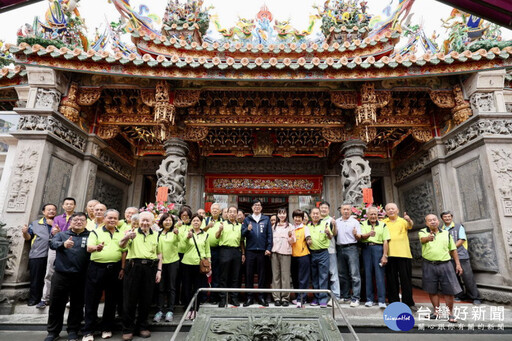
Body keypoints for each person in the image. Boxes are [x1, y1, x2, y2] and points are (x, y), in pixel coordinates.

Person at [44, 212, 90, 341]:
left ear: (86, 222)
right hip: (61, 274)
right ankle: (53, 332)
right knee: (56, 304)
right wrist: (62, 244)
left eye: (82, 220)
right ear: (70, 222)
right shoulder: (62, 235)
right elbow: (52, 244)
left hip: (81, 275)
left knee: (77, 304)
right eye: (75, 220)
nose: (79, 222)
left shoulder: (91, 236)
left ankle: (73, 331)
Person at [82, 209, 126, 341]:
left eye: (115, 218)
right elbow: (89, 248)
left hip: (115, 269)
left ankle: (107, 328)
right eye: (110, 218)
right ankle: (88, 330)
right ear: (105, 218)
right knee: (92, 300)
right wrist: (97, 248)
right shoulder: (96, 232)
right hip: (97, 268)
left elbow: (124, 251)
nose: (112, 220)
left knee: (111, 300)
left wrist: (123, 268)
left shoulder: (121, 233)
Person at [119, 211, 162, 341]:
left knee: (146, 299)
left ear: (152, 222)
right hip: (134, 267)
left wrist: (159, 270)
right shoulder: (131, 233)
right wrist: (127, 237)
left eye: (147, 221)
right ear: (139, 221)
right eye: (142, 220)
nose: (144, 223)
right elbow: (121, 245)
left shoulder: (156, 235)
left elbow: (159, 254)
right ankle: (128, 329)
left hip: (150, 268)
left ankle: (142, 327)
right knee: (130, 299)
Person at [420, 214, 463, 323]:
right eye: (429, 220)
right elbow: (423, 239)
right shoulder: (423, 232)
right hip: (429, 264)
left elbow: (453, 249)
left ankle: (450, 314)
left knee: (449, 290)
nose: (432, 222)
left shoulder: (446, 233)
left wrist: (458, 264)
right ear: (426, 223)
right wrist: (428, 238)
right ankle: (436, 312)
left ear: (438, 221)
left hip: (445, 264)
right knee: (432, 289)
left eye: (434, 220)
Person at [37, 198, 77, 309]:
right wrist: (57, 232)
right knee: (49, 272)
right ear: (63, 206)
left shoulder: (77, 218)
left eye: (71, 204)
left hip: (71, 247)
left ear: (75, 206)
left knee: (71, 274)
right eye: (67, 204)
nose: (69, 206)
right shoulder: (58, 218)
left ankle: (69, 299)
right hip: (56, 246)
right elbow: (53, 232)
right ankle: (45, 298)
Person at [440, 210, 482, 305]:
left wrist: (452, 248)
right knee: (454, 278)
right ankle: (460, 295)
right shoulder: (441, 229)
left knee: (468, 277)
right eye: (445, 217)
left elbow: (462, 239)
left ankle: (475, 297)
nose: (447, 218)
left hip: (461, 256)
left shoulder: (459, 227)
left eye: (449, 216)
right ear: (442, 219)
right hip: (448, 257)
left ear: (452, 217)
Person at [22, 203, 57, 307]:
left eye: (53, 210)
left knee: (51, 278)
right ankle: (34, 299)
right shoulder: (35, 223)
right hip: (38, 254)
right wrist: (24, 232)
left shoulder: (58, 222)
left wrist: (53, 225)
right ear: (43, 212)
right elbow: (28, 238)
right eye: (49, 210)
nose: (51, 211)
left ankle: (49, 299)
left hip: (54, 255)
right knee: (36, 278)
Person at [383, 203, 416, 311]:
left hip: (404, 254)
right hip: (390, 254)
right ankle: (393, 301)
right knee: (391, 279)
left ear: (397, 210)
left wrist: (409, 219)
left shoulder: (403, 221)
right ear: (385, 212)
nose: (391, 210)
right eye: (388, 209)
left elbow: (411, 225)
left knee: (406, 279)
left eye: (393, 209)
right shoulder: (383, 222)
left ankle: (409, 302)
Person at [241, 199, 273, 307]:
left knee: (262, 275)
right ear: (252, 207)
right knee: (248, 275)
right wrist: (248, 229)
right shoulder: (247, 219)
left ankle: (261, 297)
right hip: (250, 251)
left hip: (262, 251)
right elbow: (242, 234)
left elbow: (269, 235)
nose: (257, 207)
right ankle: (249, 297)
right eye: (255, 205)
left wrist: (268, 248)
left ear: (261, 207)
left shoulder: (266, 219)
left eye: (259, 205)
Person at [181, 214, 211, 320]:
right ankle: (188, 309)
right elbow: (181, 248)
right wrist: (186, 238)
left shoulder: (205, 235)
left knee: (198, 288)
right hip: (187, 263)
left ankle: (195, 309)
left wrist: (209, 264)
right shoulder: (186, 233)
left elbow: (207, 251)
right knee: (187, 288)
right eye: (194, 220)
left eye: (198, 220)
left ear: (201, 222)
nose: (196, 222)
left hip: (199, 265)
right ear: (191, 222)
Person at [360, 206, 390, 308]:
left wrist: (385, 255)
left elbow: (386, 241)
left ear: (378, 215)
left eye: (375, 214)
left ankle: (381, 300)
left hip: (378, 249)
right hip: (367, 249)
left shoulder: (383, 225)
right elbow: (361, 237)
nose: (373, 216)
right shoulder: (362, 224)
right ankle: (369, 299)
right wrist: (369, 234)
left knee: (380, 275)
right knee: (368, 274)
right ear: (367, 215)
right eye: (371, 214)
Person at [153, 213, 179, 323]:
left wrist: (178, 234)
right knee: (160, 287)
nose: (167, 222)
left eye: (169, 220)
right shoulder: (157, 234)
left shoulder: (175, 233)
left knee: (171, 287)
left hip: (173, 262)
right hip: (160, 264)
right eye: (165, 220)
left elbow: (181, 243)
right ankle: (159, 310)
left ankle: (170, 310)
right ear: (161, 222)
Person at [217, 206, 244, 307]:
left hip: (236, 251)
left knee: (235, 276)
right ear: (227, 214)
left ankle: (234, 297)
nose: (232, 214)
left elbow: (241, 241)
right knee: (223, 276)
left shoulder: (240, 226)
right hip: (225, 250)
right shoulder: (222, 224)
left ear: (237, 214)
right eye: (230, 212)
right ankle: (223, 298)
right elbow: (216, 236)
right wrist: (219, 230)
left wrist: (243, 253)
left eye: (234, 212)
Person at [335, 203, 362, 307]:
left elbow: (359, 237)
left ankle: (355, 298)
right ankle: (345, 296)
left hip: (352, 248)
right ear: (340, 210)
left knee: (354, 274)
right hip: (340, 249)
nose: (346, 211)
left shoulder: (355, 222)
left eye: (348, 209)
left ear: (351, 211)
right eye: (344, 209)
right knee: (342, 274)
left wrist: (355, 234)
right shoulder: (337, 222)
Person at [308, 207, 332, 308]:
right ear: (310, 215)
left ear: (320, 215)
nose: (315, 215)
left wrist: (328, 233)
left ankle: (323, 299)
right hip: (311, 253)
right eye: (313, 213)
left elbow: (331, 237)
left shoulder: (325, 224)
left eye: (317, 213)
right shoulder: (307, 226)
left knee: (323, 276)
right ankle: (316, 298)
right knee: (314, 277)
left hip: (323, 253)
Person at [270, 208, 293, 306]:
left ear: (287, 214)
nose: (282, 215)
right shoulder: (273, 227)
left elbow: (293, 241)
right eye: (280, 213)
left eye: (284, 213)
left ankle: (285, 298)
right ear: (277, 215)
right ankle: (276, 298)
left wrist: (290, 237)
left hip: (286, 253)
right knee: (275, 276)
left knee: (285, 276)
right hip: (274, 253)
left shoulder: (290, 226)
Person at [201, 203, 223, 304]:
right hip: (205, 250)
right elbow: (200, 231)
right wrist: (208, 227)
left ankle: (214, 297)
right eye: (213, 209)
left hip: (218, 250)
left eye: (217, 209)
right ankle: (204, 296)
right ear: (210, 210)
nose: (215, 210)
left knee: (217, 274)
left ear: (220, 211)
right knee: (204, 273)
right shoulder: (205, 220)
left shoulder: (223, 222)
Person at [319, 201, 340, 305]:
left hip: (330, 250)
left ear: (329, 209)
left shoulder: (331, 220)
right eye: (322, 208)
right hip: (318, 251)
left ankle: (335, 296)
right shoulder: (316, 220)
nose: (323, 209)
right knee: (323, 275)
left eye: (325, 208)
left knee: (333, 273)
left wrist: (334, 225)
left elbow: (335, 234)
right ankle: (324, 296)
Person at [290, 209, 311, 308]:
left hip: (303, 256)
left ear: (302, 219)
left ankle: (301, 299)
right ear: (293, 218)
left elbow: (308, 238)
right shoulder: (291, 228)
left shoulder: (305, 228)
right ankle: (297, 297)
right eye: (296, 217)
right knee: (295, 279)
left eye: (299, 217)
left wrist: (309, 240)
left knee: (303, 279)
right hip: (293, 256)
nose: (297, 219)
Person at [175, 207, 193, 306]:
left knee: (186, 279)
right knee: (177, 278)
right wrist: (176, 226)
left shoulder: (192, 226)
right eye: (183, 216)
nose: (185, 218)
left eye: (187, 216)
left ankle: (185, 299)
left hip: (188, 254)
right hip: (177, 254)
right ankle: (175, 299)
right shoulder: (177, 226)